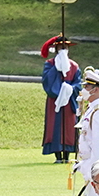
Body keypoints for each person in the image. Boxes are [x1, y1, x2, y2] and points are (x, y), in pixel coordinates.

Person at [40, 35, 80, 163]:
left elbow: (78, 83)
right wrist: (56, 73)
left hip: (69, 100)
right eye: (60, 47)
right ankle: (57, 154)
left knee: (68, 126)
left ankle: (67, 154)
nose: (63, 50)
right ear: (56, 49)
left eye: (65, 47)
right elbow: (46, 81)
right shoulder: (50, 65)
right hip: (55, 100)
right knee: (55, 125)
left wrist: (70, 89)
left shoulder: (74, 66)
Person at [75, 69, 99, 195]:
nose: (84, 90)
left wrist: (92, 172)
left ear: (95, 90)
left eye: (87, 87)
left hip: (98, 166)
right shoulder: (92, 108)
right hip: (90, 163)